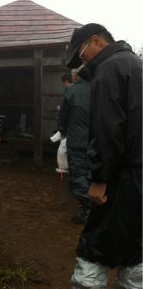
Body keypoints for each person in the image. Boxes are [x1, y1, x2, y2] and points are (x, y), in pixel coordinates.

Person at [66, 23, 142, 288]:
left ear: (96, 41)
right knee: (135, 245)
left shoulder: (109, 68)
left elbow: (108, 128)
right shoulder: (135, 64)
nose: (81, 60)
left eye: (81, 52)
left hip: (121, 174)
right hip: (139, 174)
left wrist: (99, 178)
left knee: (94, 246)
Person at [58, 66, 91, 224]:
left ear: (76, 76)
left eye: (73, 75)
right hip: (96, 142)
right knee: (93, 173)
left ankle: (88, 209)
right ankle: (90, 207)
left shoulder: (72, 92)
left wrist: (63, 131)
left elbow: (63, 117)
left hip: (77, 141)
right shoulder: (99, 87)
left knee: (78, 176)